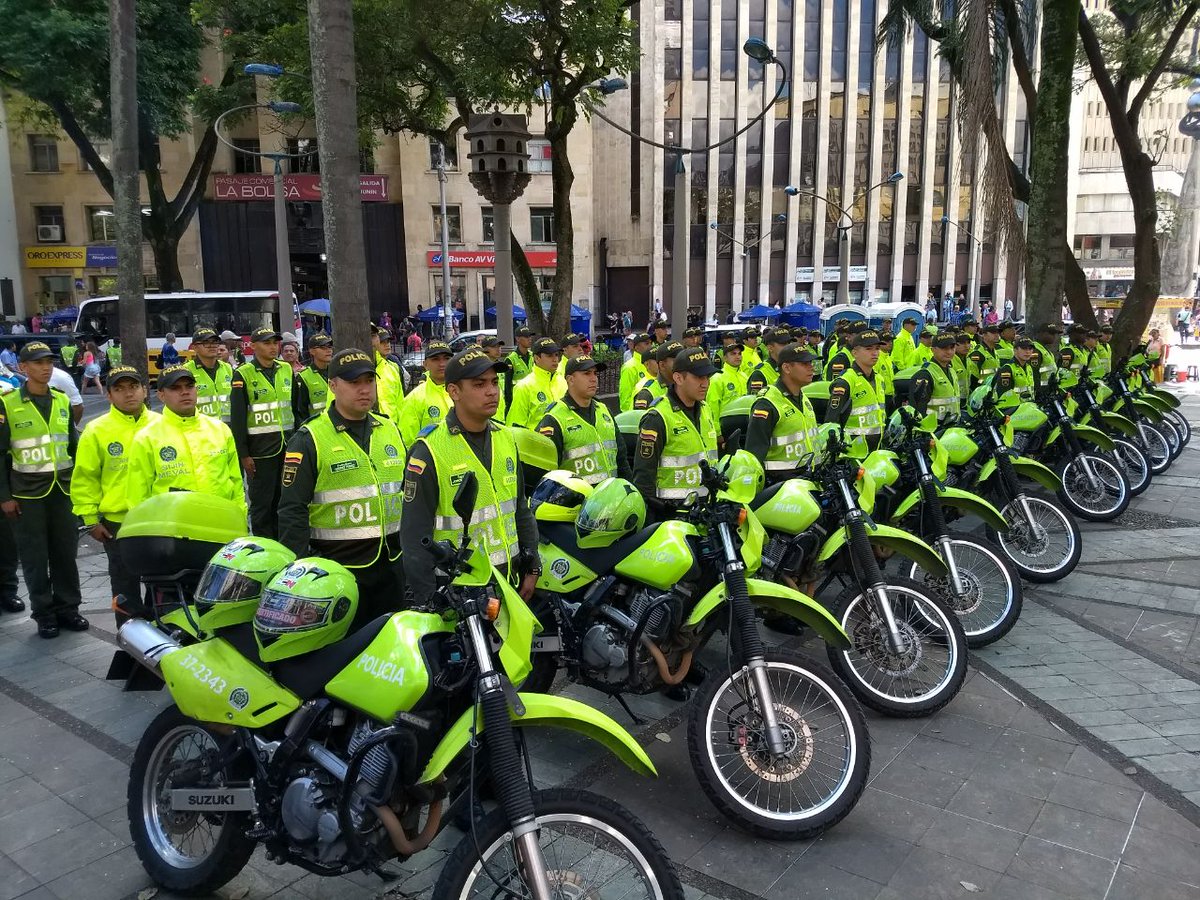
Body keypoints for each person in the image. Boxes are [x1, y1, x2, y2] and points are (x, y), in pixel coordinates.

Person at [402, 346, 539, 605]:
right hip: (460, 595)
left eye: (494, 382)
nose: (492, 391)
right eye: (479, 384)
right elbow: (414, 536)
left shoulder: (506, 437)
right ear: (454, 391)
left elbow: (520, 508)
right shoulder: (429, 450)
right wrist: (429, 601)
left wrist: (532, 565)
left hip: (510, 583)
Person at [278, 349, 407, 622]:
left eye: (369, 381)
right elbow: (292, 511)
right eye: (354, 382)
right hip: (338, 571)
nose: (364, 389)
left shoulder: (390, 429)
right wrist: (302, 570)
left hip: (392, 566)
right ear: (333, 385)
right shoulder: (309, 438)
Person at [0, 342, 84, 638]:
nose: (45, 368)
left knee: (65, 553)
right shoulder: (8, 404)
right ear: (23, 368)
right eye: (38, 363)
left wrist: (81, 489)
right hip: (27, 494)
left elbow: (73, 446)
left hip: (62, 491)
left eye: (49, 362)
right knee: (35, 557)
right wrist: (4, 497)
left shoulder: (61, 400)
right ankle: (44, 613)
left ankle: (68, 608)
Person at [70, 365, 159, 617]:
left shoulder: (161, 424)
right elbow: (85, 478)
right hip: (117, 523)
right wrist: (90, 520)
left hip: (159, 519)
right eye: (119, 389)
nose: (128, 394)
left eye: (133, 387)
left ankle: (160, 633)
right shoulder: (96, 430)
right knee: (124, 588)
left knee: (160, 586)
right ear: (109, 396)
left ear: (144, 390)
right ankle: (127, 634)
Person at [126, 364, 244, 509]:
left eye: (189, 386)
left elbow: (236, 481)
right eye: (175, 388)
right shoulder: (147, 437)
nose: (185, 392)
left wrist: (240, 513)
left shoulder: (219, 429)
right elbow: (138, 495)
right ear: (161, 395)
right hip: (171, 521)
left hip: (220, 517)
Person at [630, 347, 719, 514]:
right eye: (698, 377)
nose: (705, 383)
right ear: (678, 378)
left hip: (706, 509)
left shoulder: (705, 409)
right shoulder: (658, 417)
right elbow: (644, 477)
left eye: (707, 377)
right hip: (672, 513)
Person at [230, 327, 294, 537]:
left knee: (285, 501)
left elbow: (294, 408)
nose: (273, 347)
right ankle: (264, 545)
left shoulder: (286, 369)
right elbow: (238, 419)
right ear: (253, 346)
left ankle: (283, 543)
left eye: (275, 343)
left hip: (288, 448)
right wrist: (244, 454)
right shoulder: (243, 374)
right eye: (267, 343)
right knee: (262, 504)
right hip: (260, 451)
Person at [538, 354, 627, 483]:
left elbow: (622, 459)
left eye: (595, 373)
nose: (594, 379)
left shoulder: (604, 410)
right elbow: (546, 473)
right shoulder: (554, 418)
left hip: (611, 493)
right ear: (570, 380)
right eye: (587, 373)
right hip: (577, 496)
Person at [746, 343, 820, 482]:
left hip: (808, 480)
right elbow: (754, 455)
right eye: (804, 363)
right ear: (786, 368)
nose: (811, 367)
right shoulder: (767, 403)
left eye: (810, 363)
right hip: (780, 484)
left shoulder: (802, 397)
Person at [825, 329, 885, 453]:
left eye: (877, 348)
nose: (875, 353)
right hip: (852, 453)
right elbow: (831, 422)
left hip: (876, 449)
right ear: (855, 353)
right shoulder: (845, 381)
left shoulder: (879, 379)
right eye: (868, 349)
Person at [895, 331, 961, 425]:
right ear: (933, 350)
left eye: (952, 348)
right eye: (944, 348)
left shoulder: (951, 371)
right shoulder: (925, 374)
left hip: (952, 427)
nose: (949, 352)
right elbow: (918, 409)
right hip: (933, 428)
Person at [397, 339, 453, 445]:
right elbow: (408, 441)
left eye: (446, 358)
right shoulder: (415, 398)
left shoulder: (464, 392)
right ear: (425, 364)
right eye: (435, 359)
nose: (442, 364)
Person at [507, 337, 567, 429]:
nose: (555, 359)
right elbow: (515, 426)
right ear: (537, 358)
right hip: (535, 438)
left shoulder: (563, 382)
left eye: (556, 355)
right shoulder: (524, 387)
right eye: (549, 355)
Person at [185, 327, 234, 421]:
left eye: (215, 342)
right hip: (201, 427)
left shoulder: (227, 368)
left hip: (227, 426)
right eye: (206, 343)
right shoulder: (187, 370)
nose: (212, 346)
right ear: (194, 347)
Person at [293, 333, 334, 422]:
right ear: (312, 351)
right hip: (317, 426)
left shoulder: (337, 372)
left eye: (330, 347)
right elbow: (301, 412)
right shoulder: (304, 377)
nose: (328, 350)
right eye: (323, 347)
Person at [706, 340, 746, 425]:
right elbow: (712, 406)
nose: (738, 356)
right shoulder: (717, 378)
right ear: (724, 358)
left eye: (739, 354)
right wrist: (717, 429)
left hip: (745, 424)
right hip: (725, 425)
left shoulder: (744, 376)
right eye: (733, 354)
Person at [633, 340, 682, 410]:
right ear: (662, 365)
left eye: (682, 360)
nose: (681, 364)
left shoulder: (685, 386)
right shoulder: (646, 394)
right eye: (676, 361)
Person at [746, 328, 793, 392]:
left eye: (789, 343)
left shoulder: (794, 366)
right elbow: (755, 397)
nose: (788, 347)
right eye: (783, 344)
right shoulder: (760, 373)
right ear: (770, 348)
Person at [619, 332, 652, 411]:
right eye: (647, 344)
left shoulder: (652, 364)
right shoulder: (630, 367)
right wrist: (629, 415)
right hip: (636, 413)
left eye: (651, 343)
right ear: (637, 347)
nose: (650, 346)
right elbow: (625, 397)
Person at [968, 323, 1002, 390]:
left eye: (998, 332)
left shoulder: (994, 351)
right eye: (993, 332)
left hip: (992, 389)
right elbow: (973, 378)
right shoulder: (978, 353)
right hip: (982, 390)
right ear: (984, 335)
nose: (997, 335)